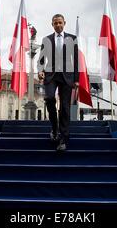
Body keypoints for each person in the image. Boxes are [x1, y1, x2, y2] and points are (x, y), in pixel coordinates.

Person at [38, 14, 79, 151]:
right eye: (55, 23)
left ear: (64, 23)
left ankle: (63, 139)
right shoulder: (46, 39)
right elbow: (41, 60)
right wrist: (40, 70)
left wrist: (77, 79)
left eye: (60, 23)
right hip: (51, 75)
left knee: (65, 108)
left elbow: (76, 60)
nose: (58, 25)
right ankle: (54, 128)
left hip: (67, 76)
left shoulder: (72, 39)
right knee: (49, 98)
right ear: (52, 25)